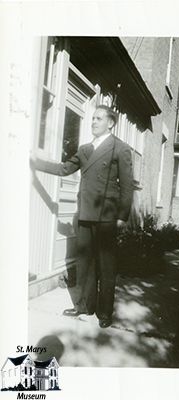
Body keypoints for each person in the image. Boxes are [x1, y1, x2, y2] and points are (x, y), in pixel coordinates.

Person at [32, 105, 134, 328]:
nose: (93, 122)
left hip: (106, 215)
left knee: (106, 266)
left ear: (110, 123)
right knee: (85, 263)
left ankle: (105, 312)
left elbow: (127, 186)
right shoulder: (85, 149)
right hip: (86, 212)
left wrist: (122, 216)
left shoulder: (120, 148)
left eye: (99, 118)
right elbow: (64, 169)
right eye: (93, 119)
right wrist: (35, 163)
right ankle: (85, 307)